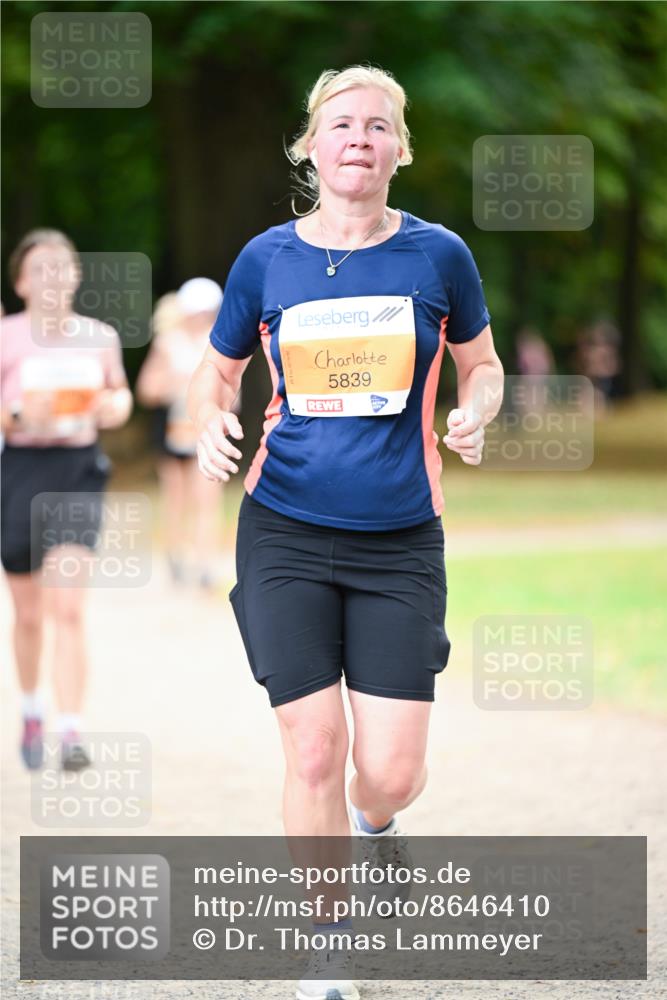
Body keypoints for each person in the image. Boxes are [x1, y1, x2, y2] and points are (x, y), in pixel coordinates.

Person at [188, 66, 504, 1000]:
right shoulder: (265, 261)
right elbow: (216, 373)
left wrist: (478, 409)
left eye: (376, 125)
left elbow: (480, 366)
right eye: (339, 124)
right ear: (311, 147)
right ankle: (326, 952)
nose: (358, 137)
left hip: (400, 539)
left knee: (390, 772)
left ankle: (376, 829)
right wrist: (210, 417)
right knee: (313, 747)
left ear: (398, 148)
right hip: (281, 527)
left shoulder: (437, 256)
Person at [1, 229, 132, 770]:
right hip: (18, 471)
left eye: (63, 266)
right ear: (22, 282)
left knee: (68, 607)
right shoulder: (6, 336)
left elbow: (119, 393)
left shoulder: (99, 336)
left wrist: (112, 408)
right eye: (42, 268)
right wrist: (15, 417)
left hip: (78, 471)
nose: (54, 277)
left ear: (76, 276)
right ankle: (33, 710)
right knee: (30, 613)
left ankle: (72, 732)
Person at [136, 279, 230, 587]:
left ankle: (205, 564)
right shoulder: (168, 342)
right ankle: (175, 555)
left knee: (207, 496)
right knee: (175, 497)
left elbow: (232, 391)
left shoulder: (220, 341)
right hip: (172, 430)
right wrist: (173, 385)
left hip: (206, 429)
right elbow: (147, 389)